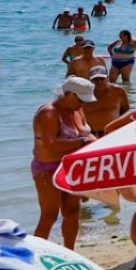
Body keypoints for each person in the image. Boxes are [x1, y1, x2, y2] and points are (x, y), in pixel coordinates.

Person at [31, 78, 97, 248]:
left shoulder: (77, 109)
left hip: (72, 167)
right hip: (48, 169)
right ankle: (35, 253)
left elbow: (86, 134)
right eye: (80, 99)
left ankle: (70, 251)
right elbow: (50, 144)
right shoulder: (49, 112)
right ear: (68, 94)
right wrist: (83, 142)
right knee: (49, 216)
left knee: (72, 212)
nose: (83, 104)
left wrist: (100, 144)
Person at [84, 67, 130, 133]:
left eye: (102, 78)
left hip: (113, 132)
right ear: (89, 80)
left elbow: (126, 110)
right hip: (92, 133)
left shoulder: (118, 91)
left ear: (108, 78)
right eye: (95, 79)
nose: (99, 82)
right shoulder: (83, 94)